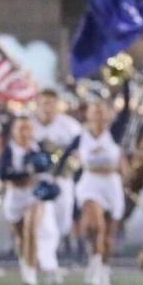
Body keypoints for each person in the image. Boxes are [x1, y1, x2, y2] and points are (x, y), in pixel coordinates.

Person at [58, 82, 131, 285]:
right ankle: (96, 260)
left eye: (102, 113)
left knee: (108, 235)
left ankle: (102, 269)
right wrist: (55, 176)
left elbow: (126, 112)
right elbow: (63, 159)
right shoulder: (81, 137)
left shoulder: (114, 134)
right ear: (88, 115)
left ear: (108, 116)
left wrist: (124, 84)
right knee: (95, 225)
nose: (99, 117)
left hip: (111, 183)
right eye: (95, 113)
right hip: (90, 182)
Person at [0, 115, 61, 285]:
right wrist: (25, 174)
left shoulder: (38, 149)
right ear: (14, 131)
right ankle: (25, 263)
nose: (24, 133)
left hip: (33, 194)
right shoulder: (9, 150)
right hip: (15, 196)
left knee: (31, 229)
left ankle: (31, 273)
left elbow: (48, 169)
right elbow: (3, 173)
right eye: (21, 129)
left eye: (27, 128)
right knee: (21, 237)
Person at [31, 88, 82, 256]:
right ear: (38, 104)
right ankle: (41, 253)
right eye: (44, 103)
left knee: (63, 218)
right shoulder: (29, 125)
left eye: (51, 104)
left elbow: (79, 152)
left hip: (62, 177)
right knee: (39, 217)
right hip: (37, 178)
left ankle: (59, 246)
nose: (48, 108)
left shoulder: (70, 126)